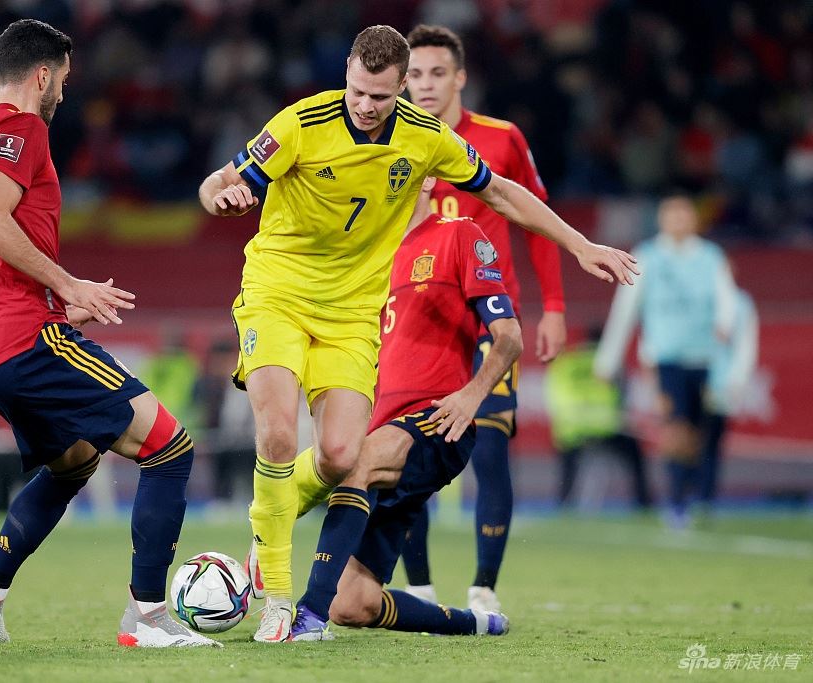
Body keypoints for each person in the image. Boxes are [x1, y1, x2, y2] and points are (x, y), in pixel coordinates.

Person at [199, 24, 637, 643]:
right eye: (356, 90)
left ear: (401, 87)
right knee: (275, 433)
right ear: (346, 73)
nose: (364, 104)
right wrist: (224, 197)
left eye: (379, 95)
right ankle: (276, 597)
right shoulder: (300, 122)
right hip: (278, 293)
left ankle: (272, 517)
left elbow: (503, 193)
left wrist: (579, 244)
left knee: (340, 457)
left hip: (351, 313)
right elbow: (216, 183)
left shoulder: (426, 138)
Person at [0, 19, 216, 648]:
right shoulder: (22, 129)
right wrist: (65, 287)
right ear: (42, 75)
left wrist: (53, 301)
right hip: (22, 339)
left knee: (75, 463)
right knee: (171, 448)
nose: (64, 91)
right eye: (63, 78)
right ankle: (148, 617)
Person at [289, 176, 520, 640]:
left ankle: (306, 616)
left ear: (427, 178)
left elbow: (509, 336)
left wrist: (471, 395)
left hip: (436, 421)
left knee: (354, 462)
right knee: (353, 604)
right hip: (382, 428)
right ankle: (476, 623)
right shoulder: (368, 259)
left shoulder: (459, 234)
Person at [398, 23, 567, 613]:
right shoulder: (390, 141)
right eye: (415, 75)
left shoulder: (501, 139)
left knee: (489, 451)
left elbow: (535, 220)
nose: (425, 85)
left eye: (437, 73)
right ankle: (418, 587)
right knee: (409, 452)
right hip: (417, 323)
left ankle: (484, 589)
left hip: (490, 322)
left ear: (460, 77)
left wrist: (555, 307)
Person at [594, 192, 736, 527]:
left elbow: (728, 302)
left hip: (706, 358)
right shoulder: (647, 257)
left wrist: (725, 330)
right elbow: (625, 310)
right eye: (672, 215)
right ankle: (676, 500)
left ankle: (702, 497)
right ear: (661, 220)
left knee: (704, 432)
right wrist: (608, 360)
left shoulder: (710, 256)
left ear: (694, 219)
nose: (678, 221)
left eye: (684, 214)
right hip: (666, 359)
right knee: (675, 429)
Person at [544, 327, 651, 509]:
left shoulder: (566, 362)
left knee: (568, 464)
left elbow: (554, 398)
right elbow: (622, 399)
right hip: (606, 429)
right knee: (634, 455)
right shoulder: (611, 363)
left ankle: (563, 501)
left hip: (573, 431)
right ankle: (644, 502)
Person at [700, 282, 758, 508]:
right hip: (692, 381)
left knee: (711, 444)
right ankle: (683, 496)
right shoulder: (694, 297)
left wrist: (737, 382)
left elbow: (745, 345)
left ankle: (704, 498)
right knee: (688, 440)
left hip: (720, 385)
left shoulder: (740, 303)